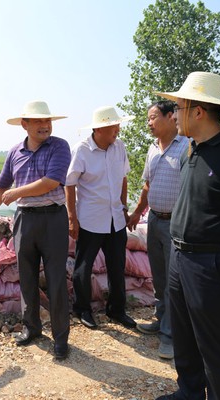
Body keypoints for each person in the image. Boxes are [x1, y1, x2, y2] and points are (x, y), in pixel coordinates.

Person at [154, 71, 220, 400]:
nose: (174, 114)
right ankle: (189, 393)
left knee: (217, 345)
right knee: (185, 337)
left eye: (179, 107)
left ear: (197, 111)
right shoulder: (189, 149)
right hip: (181, 258)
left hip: (214, 262)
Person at [0, 100, 71, 360]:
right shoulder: (14, 152)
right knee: (27, 277)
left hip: (53, 218)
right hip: (24, 219)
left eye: (48, 121)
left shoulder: (60, 147)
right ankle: (31, 328)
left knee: (56, 280)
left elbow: (51, 182)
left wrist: (16, 192)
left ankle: (60, 339)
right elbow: (1, 186)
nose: (45, 126)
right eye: (39, 122)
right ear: (25, 125)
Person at [65, 106, 136, 330]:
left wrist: (124, 207)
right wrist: (71, 218)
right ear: (98, 129)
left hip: (116, 218)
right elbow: (70, 184)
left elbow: (123, 179)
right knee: (83, 267)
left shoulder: (120, 148)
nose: (117, 129)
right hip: (90, 220)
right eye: (112, 126)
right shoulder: (82, 150)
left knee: (117, 266)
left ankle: (117, 311)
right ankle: (82, 309)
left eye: (117, 125)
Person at [126, 101, 188, 360]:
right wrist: (136, 212)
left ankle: (170, 337)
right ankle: (162, 321)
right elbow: (147, 186)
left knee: (175, 282)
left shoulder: (187, 146)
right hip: (154, 220)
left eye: (153, 118)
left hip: (177, 223)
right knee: (159, 278)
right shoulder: (152, 149)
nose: (149, 123)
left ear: (171, 116)